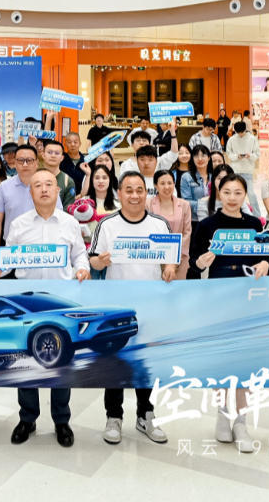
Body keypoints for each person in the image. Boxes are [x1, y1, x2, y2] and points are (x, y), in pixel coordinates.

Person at [0, 169, 89, 447]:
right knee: (26, 360)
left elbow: (80, 254)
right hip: (27, 303)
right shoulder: (19, 224)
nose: (43, 189)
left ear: (57, 190)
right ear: (30, 192)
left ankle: (61, 420)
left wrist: (82, 269)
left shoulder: (70, 223)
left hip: (60, 301)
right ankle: (27, 418)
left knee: (61, 361)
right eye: (37, 185)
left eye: (48, 184)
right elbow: (8, 260)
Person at [188, 173, 269, 451]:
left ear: (245, 195)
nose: (232, 198)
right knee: (222, 358)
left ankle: (241, 422)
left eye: (238, 193)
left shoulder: (254, 224)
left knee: (245, 360)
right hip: (218, 297)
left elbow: (264, 253)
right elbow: (194, 262)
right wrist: (201, 262)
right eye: (227, 192)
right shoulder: (207, 225)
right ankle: (223, 415)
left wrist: (265, 262)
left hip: (248, 297)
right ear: (218, 194)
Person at [90, 172, 172, 445]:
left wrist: (170, 269)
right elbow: (93, 260)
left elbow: (169, 260)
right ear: (119, 193)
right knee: (115, 361)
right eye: (129, 190)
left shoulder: (159, 224)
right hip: (116, 308)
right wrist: (100, 262)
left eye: (139, 190)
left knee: (145, 362)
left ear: (146, 193)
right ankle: (113, 416)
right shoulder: (107, 224)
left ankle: (146, 414)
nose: (135, 195)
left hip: (150, 304)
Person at [0, 143, 61, 248]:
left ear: (36, 163)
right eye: (20, 160)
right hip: (13, 246)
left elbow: (59, 215)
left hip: (43, 245)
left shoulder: (48, 187)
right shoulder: (4, 187)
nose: (25, 164)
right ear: (15, 163)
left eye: (29, 160)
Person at [148, 169, 191, 280]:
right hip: (154, 260)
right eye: (162, 183)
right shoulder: (148, 204)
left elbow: (187, 233)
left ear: (174, 183)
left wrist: (173, 263)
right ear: (155, 185)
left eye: (169, 183)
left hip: (179, 260)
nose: (167, 187)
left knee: (177, 289)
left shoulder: (184, 205)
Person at [178, 145, 211, 225]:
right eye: (196, 156)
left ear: (209, 158)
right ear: (192, 159)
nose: (200, 159)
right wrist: (204, 203)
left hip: (213, 218)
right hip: (195, 220)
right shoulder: (186, 177)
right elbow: (186, 202)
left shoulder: (214, 177)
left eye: (203, 155)